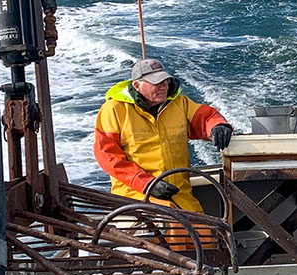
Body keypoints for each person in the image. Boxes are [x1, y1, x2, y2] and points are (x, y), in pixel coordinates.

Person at [94, 58, 233, 212]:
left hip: (180, 196)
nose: (164, 87)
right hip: (135, 197)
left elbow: (206, 117)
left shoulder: (180, 103)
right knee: (174, 228)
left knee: (204, 232)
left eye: (166, 81)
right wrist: (147, 184)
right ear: (137, 85)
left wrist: (218, 126)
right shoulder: (113, 110)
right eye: (156, 83)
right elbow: (108, 156)